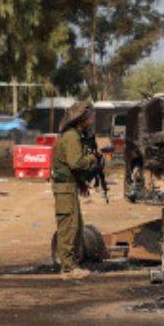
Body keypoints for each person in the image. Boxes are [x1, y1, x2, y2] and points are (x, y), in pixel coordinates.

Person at [52, 99, 102, 279]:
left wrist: (81, 183)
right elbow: (76, 163)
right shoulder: (71, 136)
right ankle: (68, 269)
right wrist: (92, 158)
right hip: (64, 187)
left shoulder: (72, 135)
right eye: (91, 116)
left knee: (76, 226)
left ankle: (72, 265)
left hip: (68, 186)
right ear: (84, 118)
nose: (93, 119)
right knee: (68, 227)